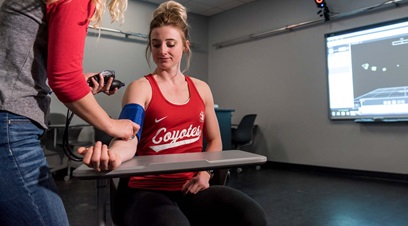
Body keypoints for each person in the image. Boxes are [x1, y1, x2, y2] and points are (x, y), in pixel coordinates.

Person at [78, 1, 267, 225]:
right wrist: (114, 156)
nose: (162, 51)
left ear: (185, 46)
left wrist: (204, 174)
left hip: (190, 186)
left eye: (170, 44)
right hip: (147, 190)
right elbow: (129, 136)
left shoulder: (202, 89)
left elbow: (215, 141)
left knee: (251, 215)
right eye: (156, 44)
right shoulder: (141, 87)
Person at [0, 0, 140, 225]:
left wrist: (79, 80)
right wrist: (113, 124)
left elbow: (21, 63)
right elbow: (64, 79)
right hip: (11, 126)